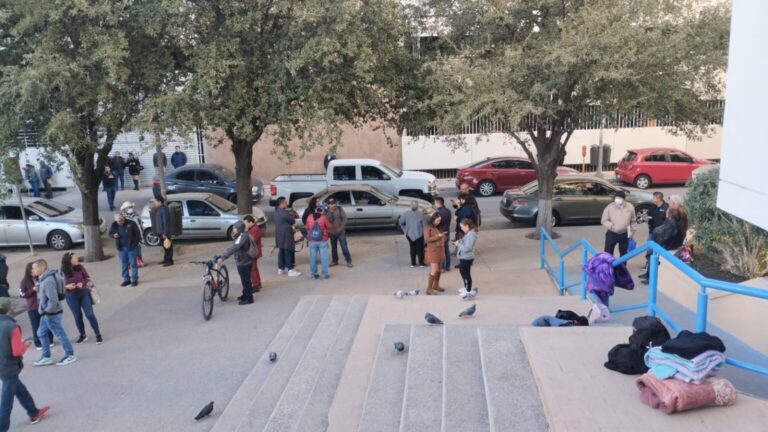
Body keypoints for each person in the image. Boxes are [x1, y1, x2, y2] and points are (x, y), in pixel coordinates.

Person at [0, 297, 50, 431]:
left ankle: (33, 412)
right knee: (6, 402)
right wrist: (25, 344)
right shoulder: (12, 327)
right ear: (9, 310)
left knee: (20, 389)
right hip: (8, 367)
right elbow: (17, 351)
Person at [31, 259, 76, 367]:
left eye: (34, 268)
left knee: (59, 334)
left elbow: (53, 300)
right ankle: (46, 356)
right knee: (41, 333)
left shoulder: (47, 281)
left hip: (51, 313)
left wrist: (47, 311)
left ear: (41, 268)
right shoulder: (43, 279)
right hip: (46, 312)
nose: (32, 270)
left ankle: (70, 354)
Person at [60, 253, 102, 345]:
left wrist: (82, 283)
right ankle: (82, 335)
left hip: (83, 293)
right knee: (77, 316)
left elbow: (87, 278)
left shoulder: (80, 267)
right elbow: (60, 285)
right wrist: (67, 286)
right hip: (71, 297)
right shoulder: (63, 271)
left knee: (90, 314)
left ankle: (98, 334)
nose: (77, 259)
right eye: (75, 258)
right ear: (69, 260)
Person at [639, 207, 688, 283]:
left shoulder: (672, 223)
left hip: (668, 246)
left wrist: (656, 232)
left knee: (651, 256)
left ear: (670, 214)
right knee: (651, 254)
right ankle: (648, 275)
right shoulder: (679, 221)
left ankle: (651, 278)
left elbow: (663, 235)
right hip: (673, 244)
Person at [217, 221, 254, 305]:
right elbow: (232, 247)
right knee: (244, 280)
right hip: (243, 261)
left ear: (239, 229)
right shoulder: (240, 235)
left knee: (246, 281)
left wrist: (223, 257)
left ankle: (249, 298)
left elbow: (234, 247)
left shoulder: (242, 236)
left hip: (244, 262)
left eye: (234, 228)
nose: (233, 229)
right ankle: (245, 295)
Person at [19, 263, 53, 351]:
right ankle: (38, 342)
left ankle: (50, 340)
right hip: (33, 307)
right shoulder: (24, 281)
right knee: (36, 325)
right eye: (33, 270)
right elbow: (22, 294)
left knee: (47, 323)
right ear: (29, 271)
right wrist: (32, 290)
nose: (35, 271)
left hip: (43, 305)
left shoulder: (41, 278)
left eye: (36, 269)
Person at [601, 190, 637, 256]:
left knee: (624, 253)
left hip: (624, 234)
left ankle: (622, 266)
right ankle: (609, 266)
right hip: (612, 233)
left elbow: (633, 220)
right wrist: (611, 225)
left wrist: (633, 231)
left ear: (623, 199)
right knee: (608, 252)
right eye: (616, 198)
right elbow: (604, 220)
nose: (617, 200)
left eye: (619, 198)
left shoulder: (630, 207)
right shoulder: (610, 207)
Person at [109, 214, 140, 287]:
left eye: (121, 221)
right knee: (124, 264)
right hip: (121, 248)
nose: (120, 222)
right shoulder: (114, 225)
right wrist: (113, 235)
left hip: (131, 248)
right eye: (118, 221)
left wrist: (134, 244)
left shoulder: (131, 223)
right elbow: (110, 233)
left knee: (133, 264)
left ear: (123, 218)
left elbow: (137, 234)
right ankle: (126, 279)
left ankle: (134, 279)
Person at [274, 197, 301, 277]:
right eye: (285, 202)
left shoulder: (276, 212)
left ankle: (280, 268)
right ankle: (290, 269)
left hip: (279, 234)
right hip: (286, 234)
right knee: (288, 251)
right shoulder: (284, 213)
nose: (287, 204)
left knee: (281, 251)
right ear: (281, 204)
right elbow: (292, 221)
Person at [306, 205, 333, 279]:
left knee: (313, 257)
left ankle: (313, 274)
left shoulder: (309, 217)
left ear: (315, 210)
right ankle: (324, 274)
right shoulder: (323, 217)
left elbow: (307, 227)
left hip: (312, 240)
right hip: (322, 240)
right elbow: (329, 226)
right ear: (322, 211)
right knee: (324, 257)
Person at [455, 218, 479, 299]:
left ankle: (468, 290)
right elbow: (466, 244)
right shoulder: (469, 233)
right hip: (465, 256)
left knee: (465, 273)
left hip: (466, 257)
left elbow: (467, 248)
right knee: (464, 272)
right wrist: (460, 242)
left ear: (467, 226)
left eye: (462, 227)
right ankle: (466, 287)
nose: (461, 228)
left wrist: (458, 244)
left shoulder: (471, 234)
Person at [423, 212, 446, 295]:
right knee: (434, 270)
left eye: (440, 220)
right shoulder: (427, 227)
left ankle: (436, 285)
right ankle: (429, 288)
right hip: (433, 252)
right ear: (432, 220)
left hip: (440, 251)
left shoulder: (435, 227)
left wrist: (443, 237)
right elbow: (427, 240)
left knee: (438, 270)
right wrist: (438, 236)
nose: (439, 222)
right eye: (437, 220)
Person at [326, 198, 353, 268]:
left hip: (340, 232)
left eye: (334, 203)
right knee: (333, 247)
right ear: (328, 205)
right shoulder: (326, 211)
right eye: (331, 204)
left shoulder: (340, 209)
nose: (333, 205)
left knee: (344, 247)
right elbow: (324, 221)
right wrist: (327, 230)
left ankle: (348, 261)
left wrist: (341, 228)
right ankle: (335, 261)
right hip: (331, 233)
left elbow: (344, 218)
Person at [398, 201, 425, 268]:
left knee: (412, 248)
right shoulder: (421, 214)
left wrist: (405, 229)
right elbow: (424, 225)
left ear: (410, 206)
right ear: (417, 207)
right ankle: (421, 263)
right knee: (420, 248)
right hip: (420, 234)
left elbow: (401, 222)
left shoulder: (406, 214)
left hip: (409, 234)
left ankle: (413, 263)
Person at [120, 201, 145, 267]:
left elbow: (140, 225)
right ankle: (131, 263)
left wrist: (141, 234)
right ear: (125, 209)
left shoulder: (136, 215)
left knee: (138, 249)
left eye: (131, 207)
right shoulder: (123, 217)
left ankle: (138, 261)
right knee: (130, 250)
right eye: (128, 207)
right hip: (128, 237)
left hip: (137, 236)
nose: (130, 208)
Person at [243, 215, 263, 292]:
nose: (245, 225)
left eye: (246, 223)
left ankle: (255, 285)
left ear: (251, 222)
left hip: (253, 252)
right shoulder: (252, 228)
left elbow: (251, 241)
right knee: (254, 268)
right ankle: (258, 282)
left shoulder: (254, 230)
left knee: (252, 269)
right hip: (254, 251)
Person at [153, 197, 173, 267]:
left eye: (155, 201)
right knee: (164, 246)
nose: (154, 203)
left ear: (159, 202)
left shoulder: (164, 209)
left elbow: (166, 222)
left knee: (168, 246)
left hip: (165, 232)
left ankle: (169, 260)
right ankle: (166, 259)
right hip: (160, 232)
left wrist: (165, 233)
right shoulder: (159, 209)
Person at [434, 197, 452, 272]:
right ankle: (448, 266)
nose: (434, 204)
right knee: (446, 250)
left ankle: (442, 267)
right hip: (447, 231)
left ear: (438, 203)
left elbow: (436, 224)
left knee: (441, 251)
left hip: (440, 233)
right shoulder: (448, 211)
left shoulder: (438, 213)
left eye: (434, 203)